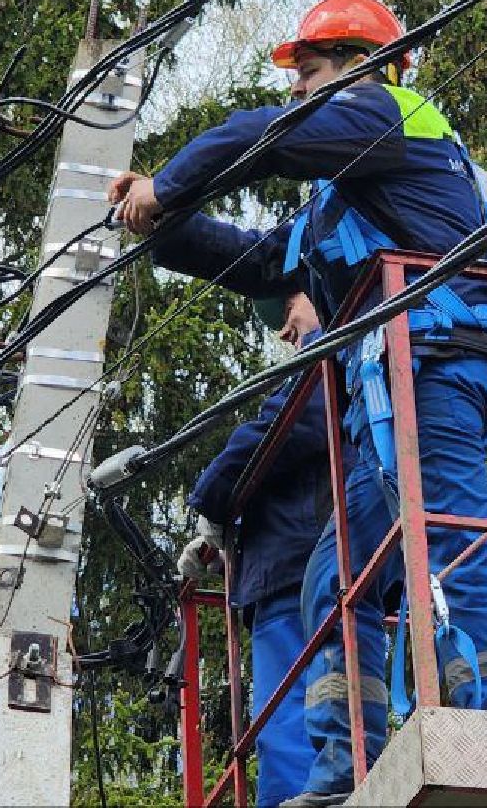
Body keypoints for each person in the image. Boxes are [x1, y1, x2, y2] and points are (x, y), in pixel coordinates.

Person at [111, 0, 487, 806]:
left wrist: (167, 184)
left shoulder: (389, 113)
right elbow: (258, 261)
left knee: (449, 533)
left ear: (361, 65)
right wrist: (162, 225)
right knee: (335, 578)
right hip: (393, 389)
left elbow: (265, 137)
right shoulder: (345, 197)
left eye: (309, 70)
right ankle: (346, 767)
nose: (296, 89)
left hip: (436, 361)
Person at [178, 293, 332, 808]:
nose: (285, 333)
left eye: (287, 314)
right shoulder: (353, 365)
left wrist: (213, 502)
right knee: (296, 711)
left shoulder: (328, 362)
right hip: (297, 564)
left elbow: (285, 428)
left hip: (298, 571)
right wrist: (225, 541)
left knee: (290, 713)